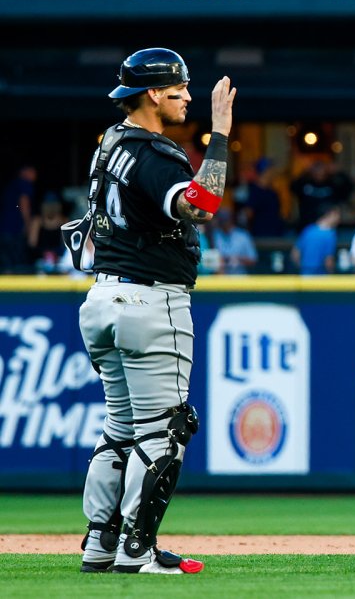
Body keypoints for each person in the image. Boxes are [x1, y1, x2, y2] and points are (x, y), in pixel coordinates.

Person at [78, 47, 235, 574]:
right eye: (177, 89)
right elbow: (203, 205)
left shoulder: (110, 143)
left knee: (119, 429)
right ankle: (136, 550)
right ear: (151, 94)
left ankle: (100, 543)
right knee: (165, 429)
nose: (187, 96)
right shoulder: (154, 152)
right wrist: (220, 135)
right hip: (149, 300)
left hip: (102, 296)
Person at [290, 159, 352, 230]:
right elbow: (292, 187)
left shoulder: (332, 184)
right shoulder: (304, 184)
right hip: (306, 226)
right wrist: (305, 172)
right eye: (316, 170)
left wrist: (339, 172)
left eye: (321, 170)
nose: (319, 173)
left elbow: (348, 188)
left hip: (328, 227)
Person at [291, 206, 338, 274]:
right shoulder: (330, 235)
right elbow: (328, 261)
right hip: (321, 277)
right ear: (329, 214)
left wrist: (304, 269)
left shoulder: (308, 230)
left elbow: (295, 255)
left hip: (304, 276)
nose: (338, 219)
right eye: (336, 215)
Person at [210, 208, 257, 274]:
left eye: (225, 220)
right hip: (220, 278)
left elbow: (253, 259)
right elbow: (209, 257)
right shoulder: (215, 234)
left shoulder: (243, 235)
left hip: (240, 278)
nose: (224, 223)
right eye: (221, 220)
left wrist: (238, 259)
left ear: (231, 220)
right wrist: (224, 259)